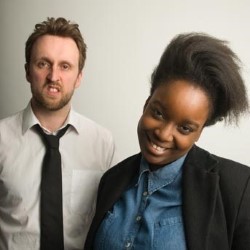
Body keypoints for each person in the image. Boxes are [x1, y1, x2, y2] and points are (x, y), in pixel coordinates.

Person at [84, 33, 250, 250]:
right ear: (146, 104)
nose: (163, 134)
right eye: (159, 113)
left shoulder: (238, 188)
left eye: (185, 128)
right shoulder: (112, 180)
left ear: (199, 132)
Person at [0, 17, 118, 250]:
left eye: (65, 66)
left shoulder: (103, 143)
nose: (54, 77)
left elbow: (112, 224)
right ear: (27, 71)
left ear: (79, 77)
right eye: (43, 63)